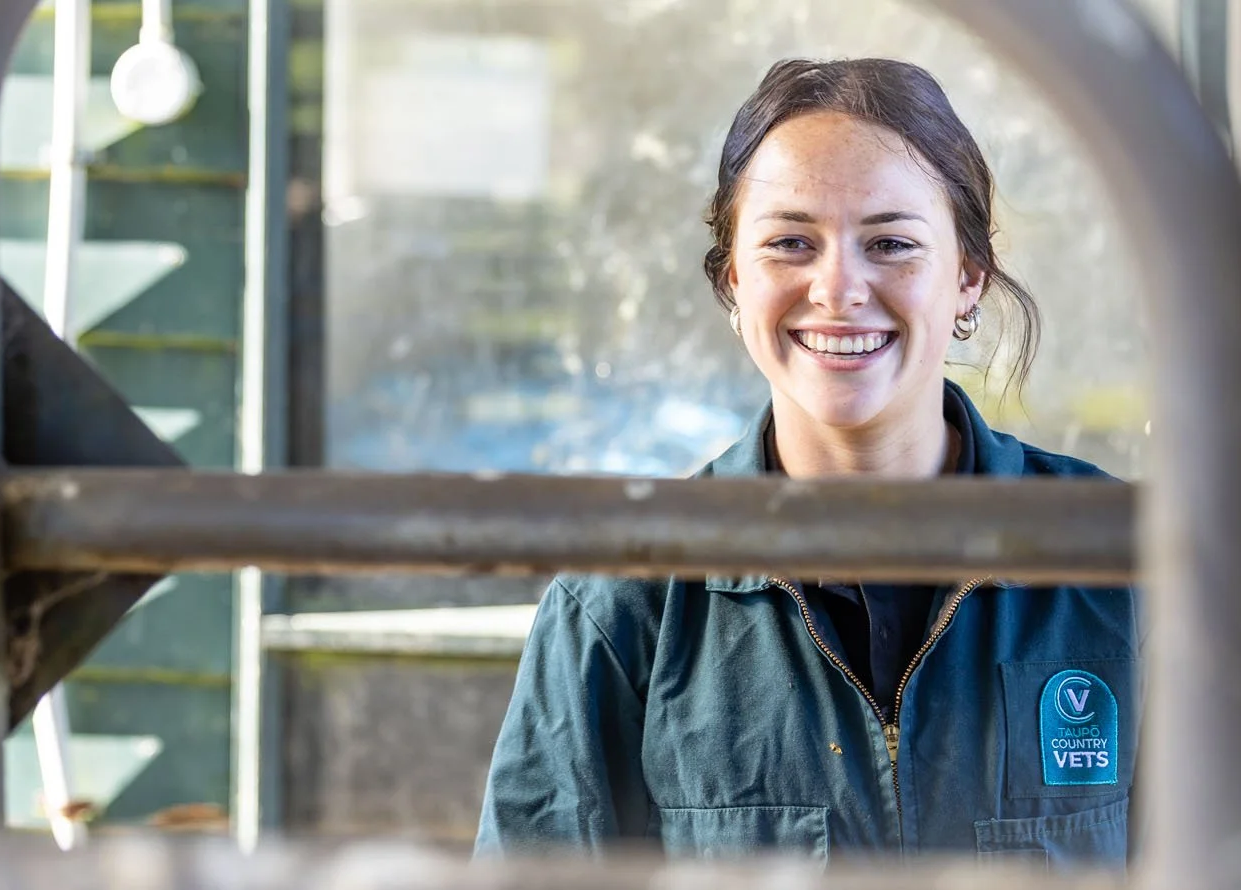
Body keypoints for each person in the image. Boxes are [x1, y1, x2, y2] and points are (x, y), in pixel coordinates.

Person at [474, 58, 1139, 870]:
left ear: (968, 275)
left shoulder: (1121, 561)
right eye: (791, 242)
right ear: (732, 281)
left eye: (891, 243)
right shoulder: (621, 599)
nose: (838, 289)